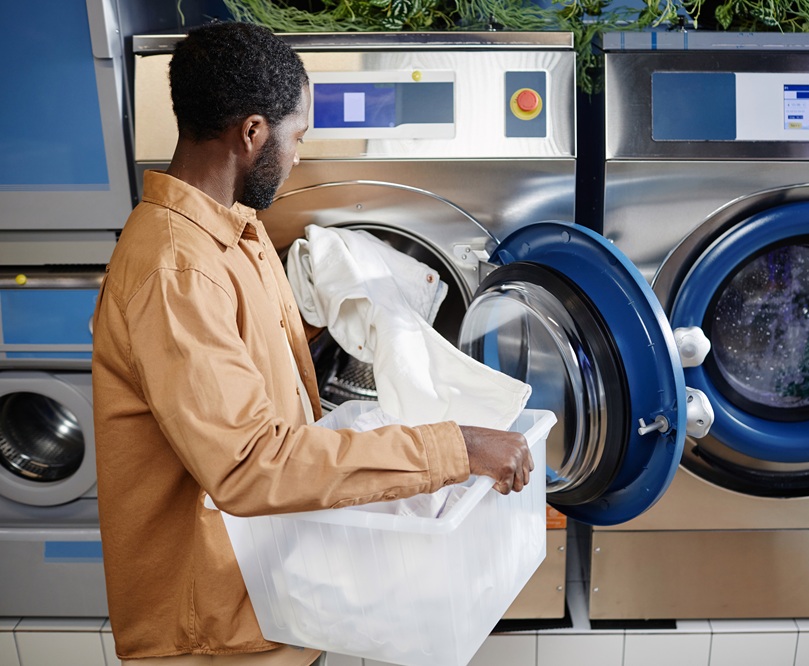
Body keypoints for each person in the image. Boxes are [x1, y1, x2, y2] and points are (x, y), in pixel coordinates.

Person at [91, 21, 533, 664]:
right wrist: (455, 447)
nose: (299, 156)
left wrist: (371, 308)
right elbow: (248, 465)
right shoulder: (175, 271)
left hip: (266, 601)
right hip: (210, 636)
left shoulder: (235, 235)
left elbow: (262, 386)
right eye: (298, 136)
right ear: (252, 133)